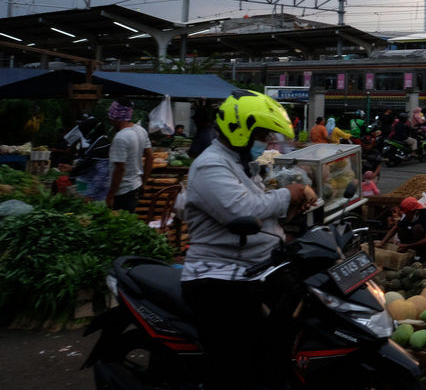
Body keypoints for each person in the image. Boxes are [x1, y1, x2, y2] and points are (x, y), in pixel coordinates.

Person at [179, 90, 316, 390]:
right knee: (242, 363)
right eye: (262, 134)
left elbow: (261, 210)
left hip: (254, 268)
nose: (267, 142)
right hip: (218, 276)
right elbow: (242, 211)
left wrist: (290, 208)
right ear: (240, 130)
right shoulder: (210, 165)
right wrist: (287, 195)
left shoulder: (240, 164)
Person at [105, 99, 153, 212]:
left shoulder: (121, 138)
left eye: (111, 115)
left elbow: (120, 168)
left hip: (122, 190)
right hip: (135, 185)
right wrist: (144, 182)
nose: (110, 119)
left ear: (116, 116)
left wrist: (110, 195)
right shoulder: (141, 130)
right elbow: (150, 157)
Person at [378, 197, 426, 263]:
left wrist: (407, 246)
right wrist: (382, 242)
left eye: (407, 214)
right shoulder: (410, 216)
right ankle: (415, 255)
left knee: (417, 228)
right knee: (402, 230)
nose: (406, 216)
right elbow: (395, 228)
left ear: (415, 211)